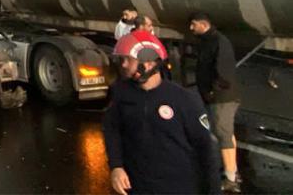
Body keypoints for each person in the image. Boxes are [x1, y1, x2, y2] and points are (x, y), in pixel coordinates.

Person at [103, 31, 220, 195]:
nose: (123, 65)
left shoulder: (184, 99)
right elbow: (112, 130)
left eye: (127, 59)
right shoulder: (121, 94)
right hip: (138, 187)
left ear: (149, 63)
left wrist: (213, 192)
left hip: (179, 188)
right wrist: (116, 166)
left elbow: (206, 149)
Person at [190, 12, 241, 193]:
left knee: (222, 133)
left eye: (193, 24)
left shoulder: (219, 41)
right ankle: (232, 170)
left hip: (222, 97)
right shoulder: (208, 40)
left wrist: (213, 91)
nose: (191, 28)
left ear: (203, 25)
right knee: (226, 132)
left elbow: (223, 71)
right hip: (219, 96)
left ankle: (230, 179)